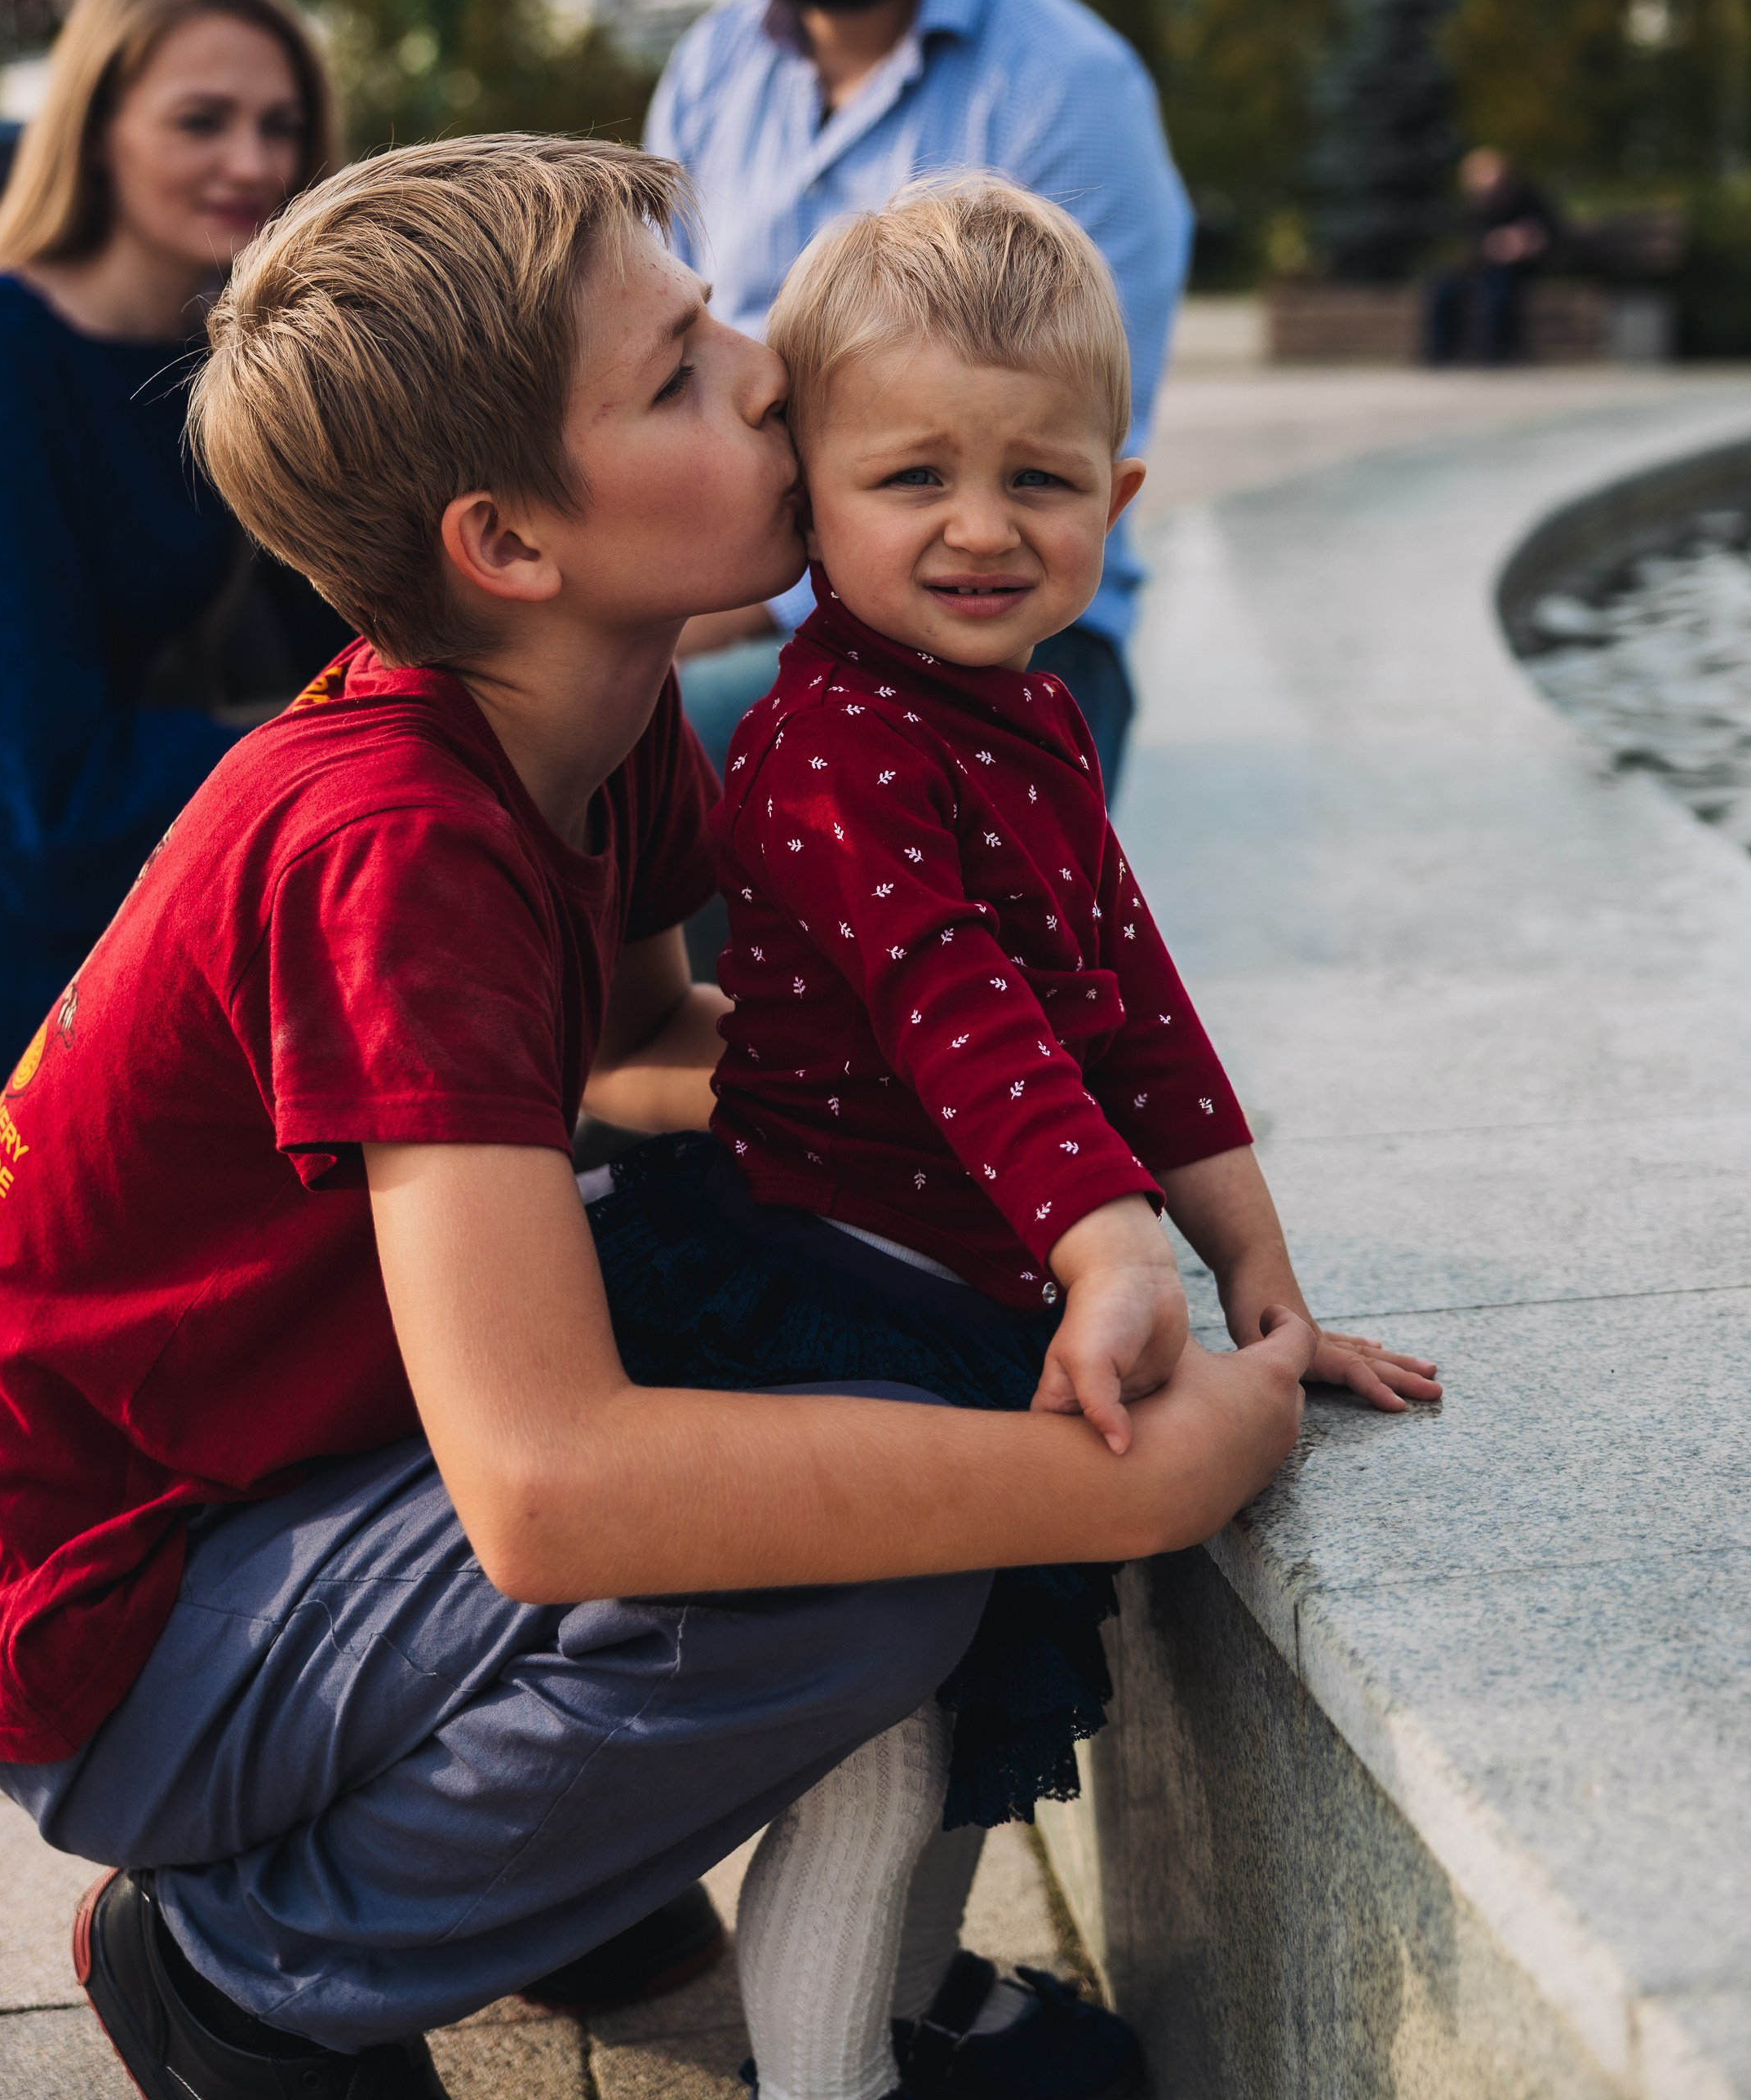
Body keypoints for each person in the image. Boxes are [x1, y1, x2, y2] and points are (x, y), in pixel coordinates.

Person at [0, 136, 1319, 2100]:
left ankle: (547, 1871)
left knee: (772, 1299)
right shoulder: (395, 846)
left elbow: (649, 1054)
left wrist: (1029, 1163)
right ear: (511, 545)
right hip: (120, 1616)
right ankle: (246, 1960)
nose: (770, 363)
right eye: (683, 366)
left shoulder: (580, 746)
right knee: (854, 1579)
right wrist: (1124, 1481)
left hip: (274, 1480)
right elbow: (549, 1490)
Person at [587, 179, 1439, 2100]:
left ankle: (911, 2000)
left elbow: (1129, 1003)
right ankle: (831, 2073)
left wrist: (1263, 1278)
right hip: (824, 1293)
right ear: (807, 485)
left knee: (982, 1714)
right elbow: (958, 1012)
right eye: (911, 475)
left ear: (1115, 505)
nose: (980, 526)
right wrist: (1102, 1241)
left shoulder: (1025, 717)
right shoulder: (824, 744)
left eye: (1037, 479)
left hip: (974, 1286)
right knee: (877, 1734)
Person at [649, 0, 1193, 801]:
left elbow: (1048, 455)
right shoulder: (707, 74)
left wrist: (704, 612)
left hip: (1000, 623)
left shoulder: (1069, 94)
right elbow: (659, 375)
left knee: (620, 760)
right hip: (735, 595)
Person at [0, 0, 345, 1086]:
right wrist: (364, 738)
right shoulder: (6, 363)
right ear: (95, 129)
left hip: (130, 880)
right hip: (30, 933)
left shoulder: (223, 359)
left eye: (279, 125)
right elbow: (58, 798)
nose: (254, 163)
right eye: (203, 122)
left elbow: (340, 634)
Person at [1423, 146, 1561, 366]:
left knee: (1498, 290)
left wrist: (1527, 242)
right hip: (1481, 267)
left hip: (1521, 268)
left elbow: (1551, 233)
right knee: (1442, 287)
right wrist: (1491, 247)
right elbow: (1470, 243)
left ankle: (1495, 352)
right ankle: (1441, 352)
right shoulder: (1474, 206)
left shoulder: (1529, 198)